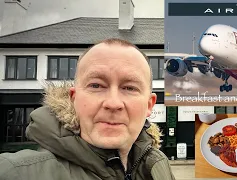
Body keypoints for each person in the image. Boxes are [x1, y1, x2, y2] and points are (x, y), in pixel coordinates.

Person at [0, 38, 176, 180]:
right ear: (73, 98)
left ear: (149, 105)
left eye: (129, 88)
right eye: (96, 85)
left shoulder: (159, 167)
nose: (113, 103)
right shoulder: (15, 171)